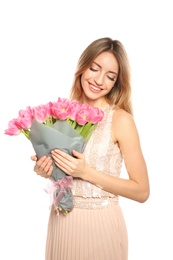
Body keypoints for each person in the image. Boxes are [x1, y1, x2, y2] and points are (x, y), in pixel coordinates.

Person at [31, 37, 150, 260]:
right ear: (82, 67)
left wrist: (86, 172)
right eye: (94, 68)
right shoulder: (60, 115)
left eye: (110, 76)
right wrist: (45, 169)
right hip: (61, 222)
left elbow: (142, 191)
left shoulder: (121, 120)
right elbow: (60, 176)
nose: (99, 80)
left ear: (116, 82)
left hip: (101, 225)